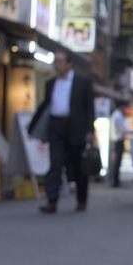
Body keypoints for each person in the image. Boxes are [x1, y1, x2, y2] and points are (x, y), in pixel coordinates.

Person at [28, 47, 94, 213]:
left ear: (69, 63)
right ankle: (52, 200)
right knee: (55, 163)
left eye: (60, 61)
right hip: (56, 126)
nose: (56, 65)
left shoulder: (82, 82)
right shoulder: (51, 83)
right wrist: (35, 127)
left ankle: (81, 199)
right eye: (55, 61)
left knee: (77, 166)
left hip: (75, 128)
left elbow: (89, 108)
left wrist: (89, 130)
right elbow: (46, 105)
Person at [110, 100, 129, 187]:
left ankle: (115, 180)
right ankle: (115, 180)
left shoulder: (115, 114)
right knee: (117, 161)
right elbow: (122, 128)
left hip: (116, 139)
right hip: (118, 139)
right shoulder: (118, 115)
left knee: (117, 161)